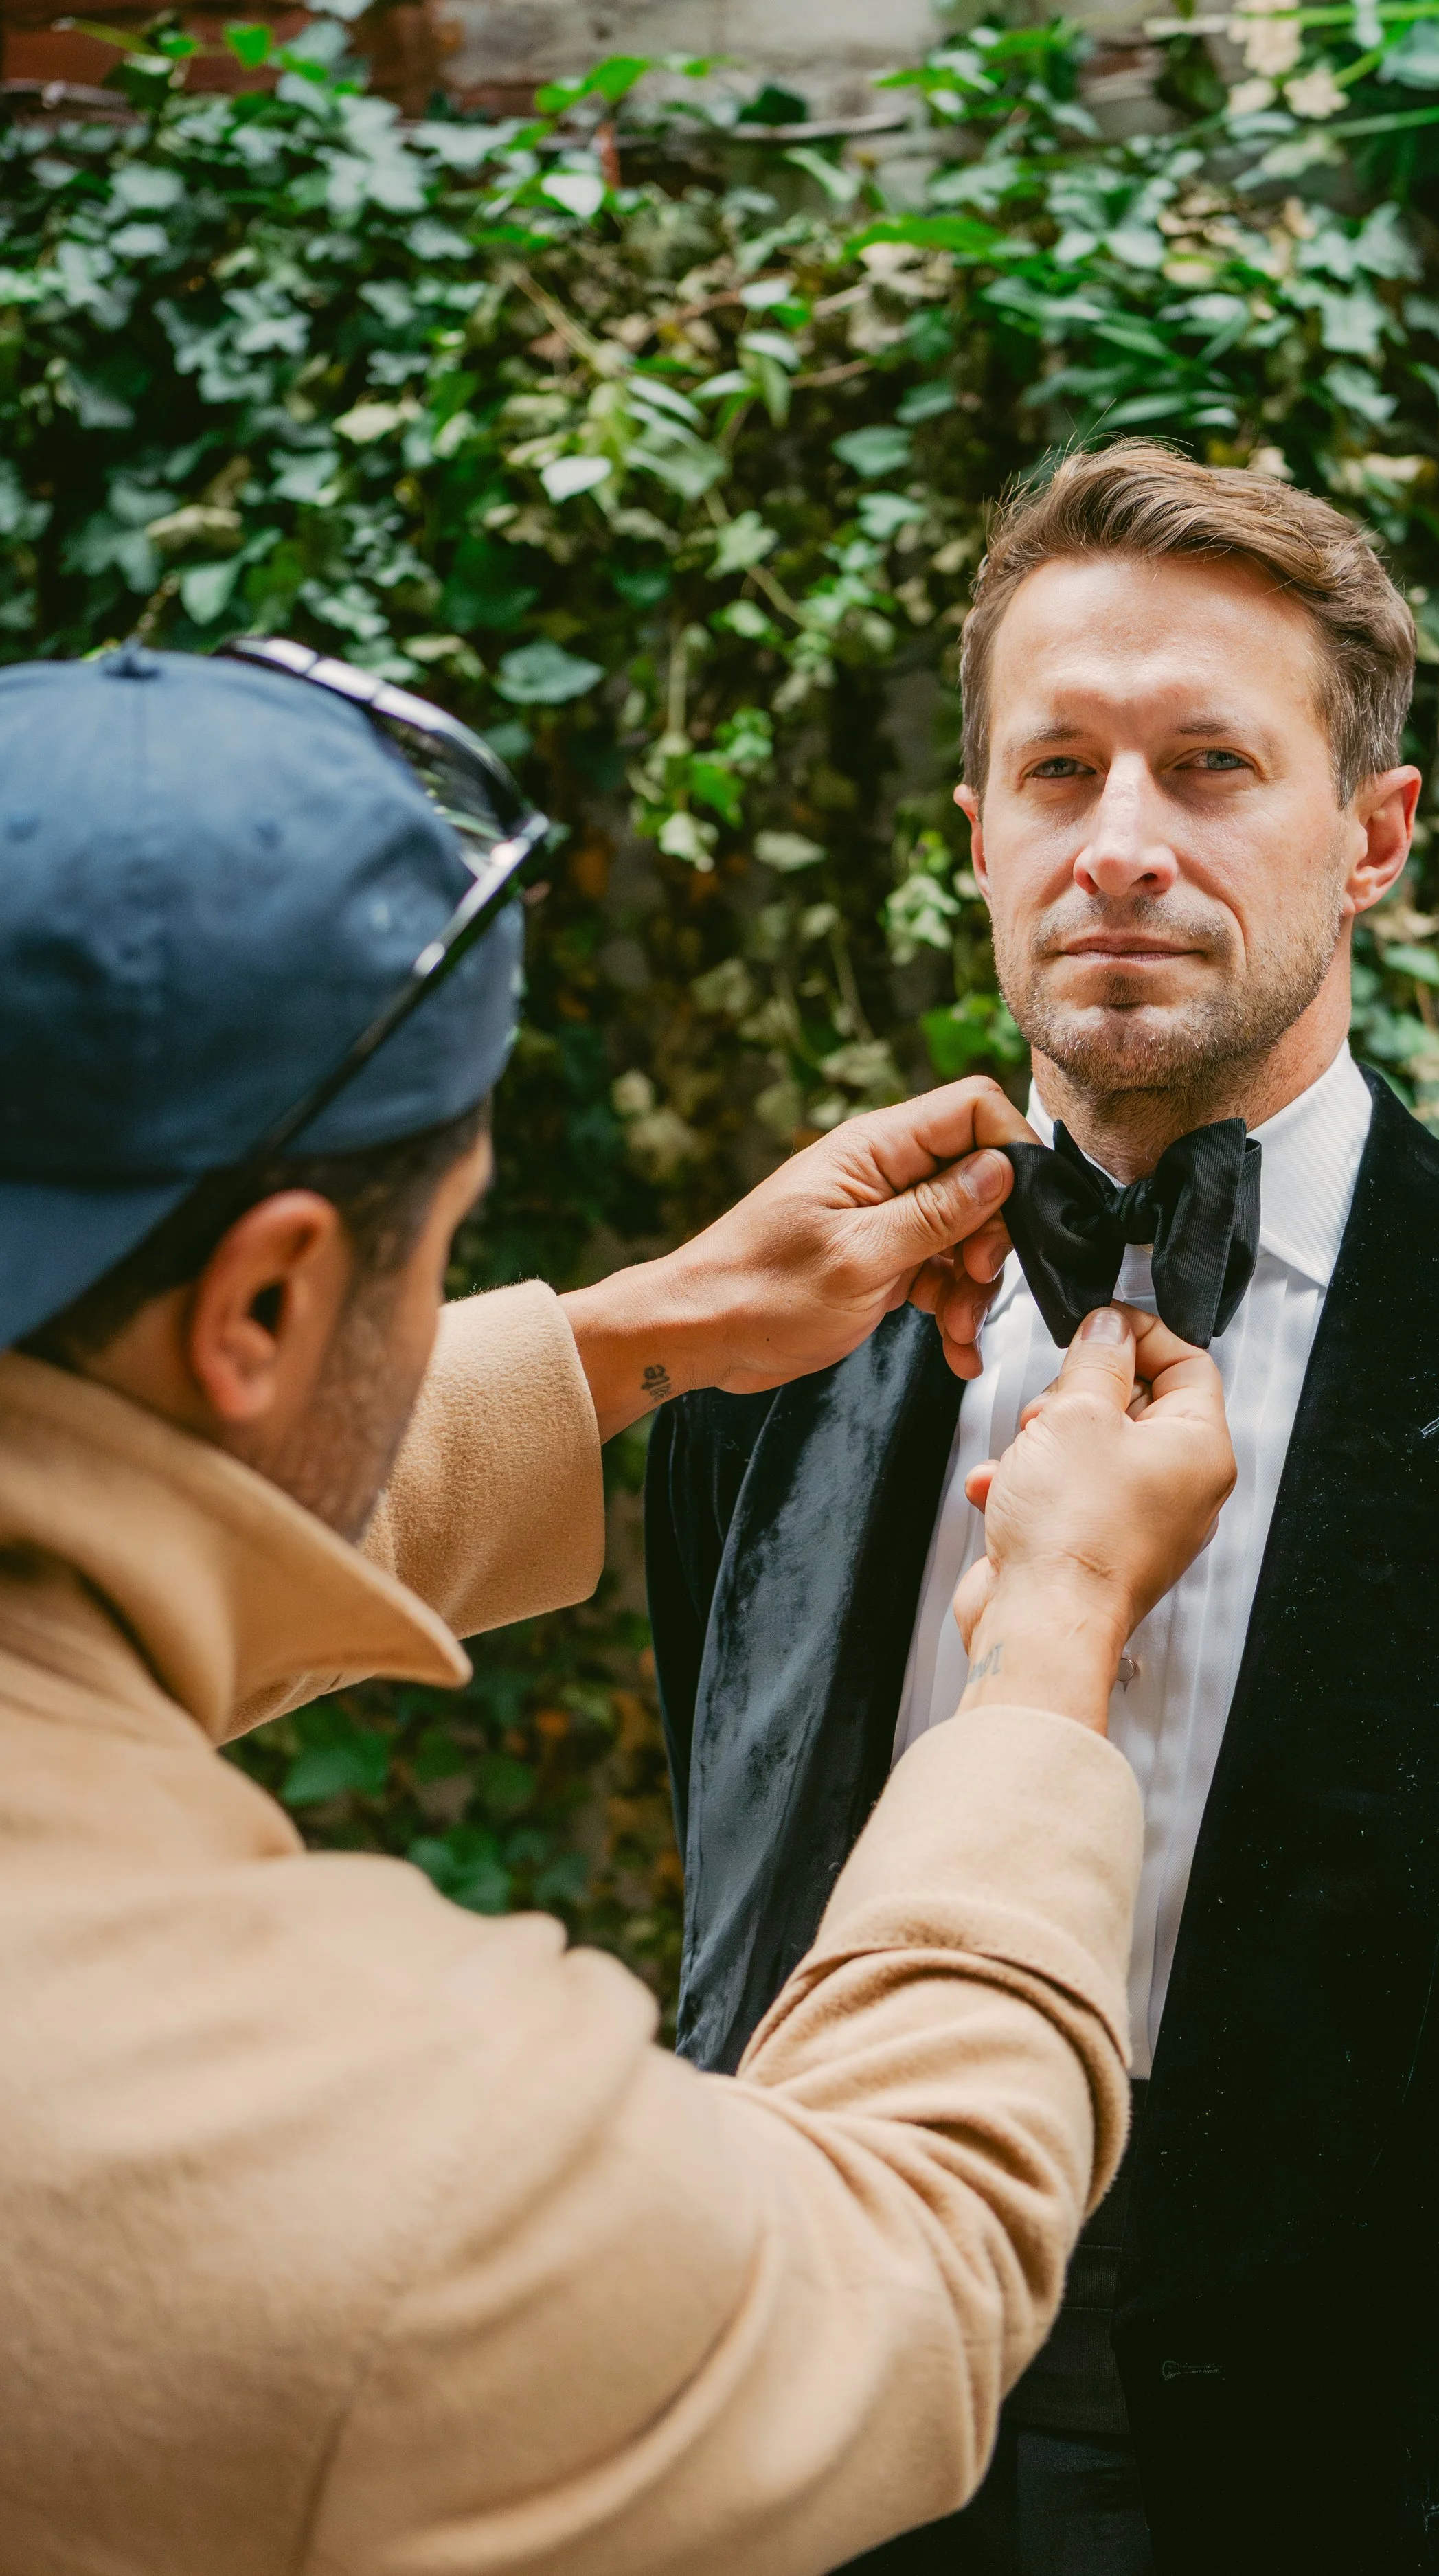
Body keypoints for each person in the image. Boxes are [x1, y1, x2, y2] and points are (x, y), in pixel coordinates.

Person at [0, 643, 1239, 2576]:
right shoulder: (347, 2137)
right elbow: (881, 2275)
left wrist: (630, 1335)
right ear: (260, 1308)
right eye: (440, 1247)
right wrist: (1055, 1630)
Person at [647, 442, 1439, 2576]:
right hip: (860, 2460)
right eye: (1056, 772)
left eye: (1209, 766)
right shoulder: (752, 1394)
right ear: (975, 837)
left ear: (1372, 835)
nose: (1117, 845)